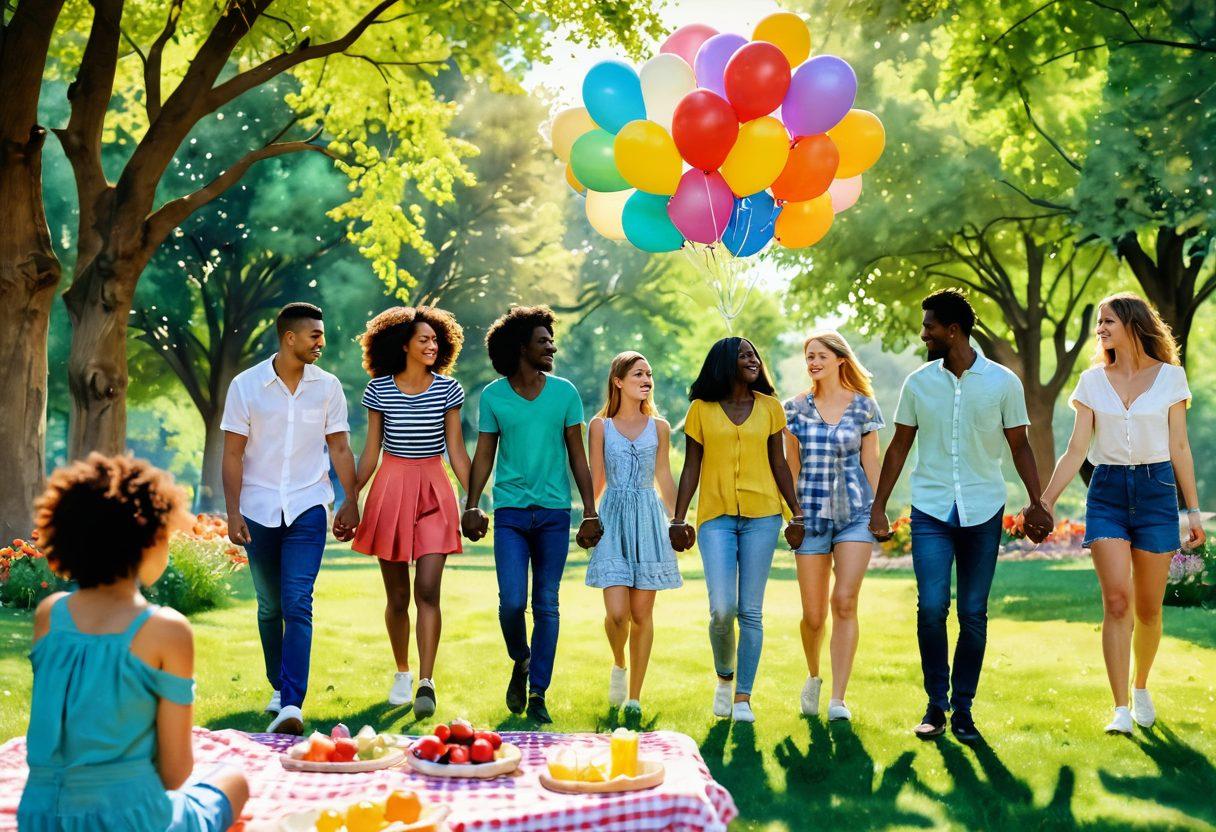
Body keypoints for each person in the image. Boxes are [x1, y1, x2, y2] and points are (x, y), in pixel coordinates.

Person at [18, 454, 249, 832]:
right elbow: (175, 774)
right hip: (133, 821)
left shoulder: (49, 615)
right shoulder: (166, 630)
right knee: (232, 778)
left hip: (41, 818)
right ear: (150, 540)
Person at [869, 289, 1053, 744]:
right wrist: (879, 505)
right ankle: (936, 703)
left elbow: (1019, 445)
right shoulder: (918, 384)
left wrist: (1038, 501)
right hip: (930, 508)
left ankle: (964, 708)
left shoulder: (1003, 383)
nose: (923, 332)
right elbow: (899, 446)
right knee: (932, 608)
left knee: (973, 612)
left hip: (983, 509)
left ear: (953, 331)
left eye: (929, 325)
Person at [1039, 293, 1204, 735]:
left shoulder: (1171, 378)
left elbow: (1180, 448)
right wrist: (1047, 500)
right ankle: (1119, 709)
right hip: (1107, 491)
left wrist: (1192, 512)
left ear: (1132, 324)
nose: (1100, 330)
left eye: (1107, 321)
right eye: (1098, 323)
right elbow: (1077, 450)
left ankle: (1142, 686)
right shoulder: (1092, 382)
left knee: (1149, 609)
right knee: (1116, 602)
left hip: (1156, 494)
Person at [461, 305, 603, 724]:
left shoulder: (565, 393)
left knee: (546, 604)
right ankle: (521, 660)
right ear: (520, 347)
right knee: (511, 602)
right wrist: (472, 505)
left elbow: (578, 456)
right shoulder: (493, 396)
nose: (551, 347)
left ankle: (539, 690)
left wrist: (590, 511)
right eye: (543, 341)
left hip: (555, 514)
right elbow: (483, 454)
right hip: (510, 514)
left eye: (550, 340)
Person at [221, 302, 358, 734]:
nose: (322, 341)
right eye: (314, 335)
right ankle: (278, 686)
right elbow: (232, 453)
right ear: (289, 338)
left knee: (298, 601)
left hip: (308, 504)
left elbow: (339, 448)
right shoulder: (246, 386)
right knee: (269, 605)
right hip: (258, 506)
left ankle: (292, 703)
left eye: (322, 334)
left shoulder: (328, 387)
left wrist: (350, 499)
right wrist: (232, 511)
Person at [670, 337, 804, 724]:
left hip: (763, 515)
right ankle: (724, 676)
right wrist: (679, 519)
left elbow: (778, 464)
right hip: (716, 517)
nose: (752, 360)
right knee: (721, 609)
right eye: (744, 355)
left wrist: (796, 513)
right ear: (724, 363)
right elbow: (691, 466)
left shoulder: (771, 408)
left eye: (754, 354)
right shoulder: (700, 410)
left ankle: (743, 697)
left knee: (750, 611)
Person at [346, 306, 471, 718]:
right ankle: (402, 670)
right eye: (424, 340)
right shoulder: (378, 390)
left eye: (436, 340)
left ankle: (425, 680)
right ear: (403, 345)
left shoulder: (449, 390)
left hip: (435, 488)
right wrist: (351, 497)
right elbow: (370, 451)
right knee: (398, 596)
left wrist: (473, 500)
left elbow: (456, 451)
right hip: (391, 487)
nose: (432, 345)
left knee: (428, 590)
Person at [783, 331, 883, 722]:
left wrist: (880, 509)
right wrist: (790, 513)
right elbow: (790, 467)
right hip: (809, 516)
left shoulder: (864, 407)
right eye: (809, 356)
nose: (813, 362)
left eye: (820, 355)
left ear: (841, 359)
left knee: (844, 601)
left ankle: (838, 698)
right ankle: (813, 676)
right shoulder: (793, 408)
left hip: (855, 513)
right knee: (813, 615)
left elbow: (872, 462)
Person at [586, 352, 682, 717]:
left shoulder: (659, 427)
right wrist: (588, 518)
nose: (646, 379)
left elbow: (664, 477)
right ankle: (618, 663)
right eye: (639, 373)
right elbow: (597, 479)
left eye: (649, 373)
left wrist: (678, 520)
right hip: (612, 518)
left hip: (647, 519)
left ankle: (635, 697)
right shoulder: (599, 426)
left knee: (642, 614)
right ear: (618, 381)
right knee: (617, 614)